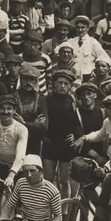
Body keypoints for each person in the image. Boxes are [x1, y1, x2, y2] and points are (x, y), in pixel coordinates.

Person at [43, 69, 80, 202]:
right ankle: (48, 209)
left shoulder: (74, 101)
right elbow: (42, 118)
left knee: (65, 181)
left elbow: (78, 123)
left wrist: (75, 137)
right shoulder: (47, 99)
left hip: (66, 145)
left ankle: (64, 213)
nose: (62, 86)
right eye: (59, 83)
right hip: (50, 143)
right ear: (54, 84)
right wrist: (43, 134)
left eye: (66, 83)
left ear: (70, 86)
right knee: (47, 180)